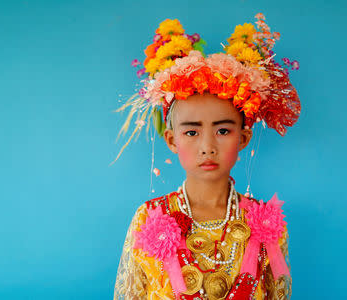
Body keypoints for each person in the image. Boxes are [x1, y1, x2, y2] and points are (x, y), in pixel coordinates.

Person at [112, 13, 301, 299]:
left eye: (223, 131)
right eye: (192, 132)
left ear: (244, 138)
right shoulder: (148, 219)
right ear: (172, 140)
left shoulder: (266, 224)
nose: (207, 146)